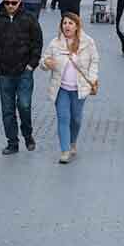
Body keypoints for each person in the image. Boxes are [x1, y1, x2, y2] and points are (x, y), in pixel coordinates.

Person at [0, 0, 43, 155]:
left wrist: (32, 64)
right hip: (4, 71)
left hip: (24, 70)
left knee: (24, 105)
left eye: (13, 2)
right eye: (7, 2)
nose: (10, 6)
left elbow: (37, 42)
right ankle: (12, 142)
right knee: (7, 109)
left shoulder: (29, 19)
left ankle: (27, 134)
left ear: (19, 2)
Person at [41, 13, 99, 164]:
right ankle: (65, 150)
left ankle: (73, 142)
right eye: (64, 23)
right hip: (61, 89)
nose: (67, 26)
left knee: (76, 119)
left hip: (79, 88)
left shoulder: (88, 42)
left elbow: (94, 61)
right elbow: (44, 60)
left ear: (77, 26)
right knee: (63, 118)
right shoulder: (55, 43)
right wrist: (46, 64)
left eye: (70, 23)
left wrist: (92, 79)